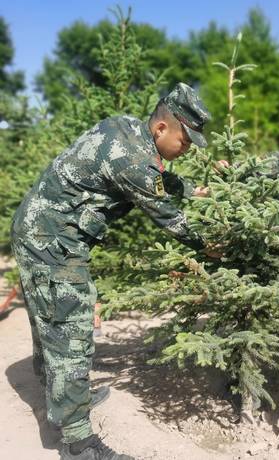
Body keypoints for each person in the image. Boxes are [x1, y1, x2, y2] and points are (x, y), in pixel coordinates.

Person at [11, 83, 215, 460]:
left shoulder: (128, 130)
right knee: (70, 333)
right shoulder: (134, 161)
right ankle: (79, 444)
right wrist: (212, 245)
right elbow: (167, 215)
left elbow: (153, 177)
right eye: (185, 141)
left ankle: (65, 401)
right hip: (50, 241)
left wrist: (189, 188)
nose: (186, 149)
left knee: (53, 325)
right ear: (161, 128)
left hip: (48, 232)